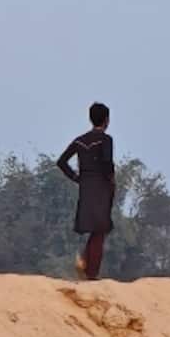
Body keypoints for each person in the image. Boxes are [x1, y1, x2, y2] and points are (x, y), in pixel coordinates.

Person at [56, 103, 116, 280]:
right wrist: (111, 181)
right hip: (101, 186)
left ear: (91, 119)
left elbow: (61, 162)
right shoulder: (106, 140)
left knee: (97, 228)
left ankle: (85, 263)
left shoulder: (80, 140)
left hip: (86, 186)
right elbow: (107, 163)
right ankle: (91, 273)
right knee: (101, 228)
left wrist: (76, 178)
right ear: (106, 120)